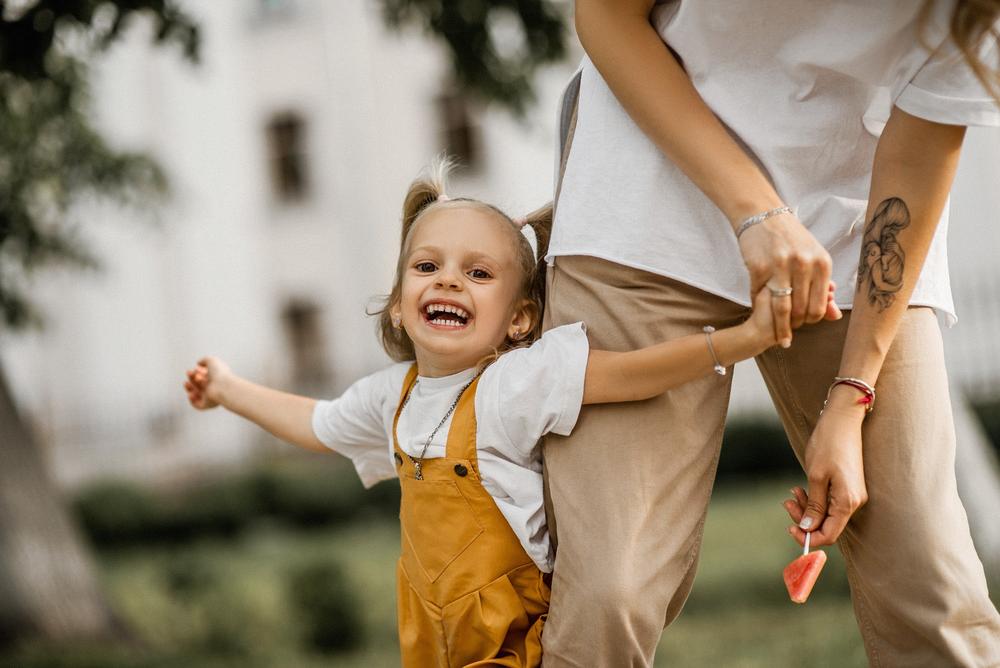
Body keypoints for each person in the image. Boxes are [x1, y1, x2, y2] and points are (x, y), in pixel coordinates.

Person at [182, 161, 794, 667]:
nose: (448, 282)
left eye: (477, 274)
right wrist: (229, 390)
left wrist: (741, 340)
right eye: (427, 267)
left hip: (517, 645)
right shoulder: (391, 395)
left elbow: (630, 375)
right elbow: (317, 425)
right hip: (432, 644)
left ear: (520, 319)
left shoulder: (512, 386)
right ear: (398, 305)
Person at [541, 0, 1000, 665]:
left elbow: (920, 153)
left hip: (849, 235)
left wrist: (852, 395)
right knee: (609, 592)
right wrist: (759, 214)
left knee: (929, 582)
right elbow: (608, 17)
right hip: (643, 203)